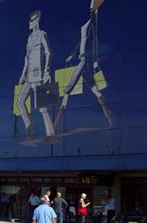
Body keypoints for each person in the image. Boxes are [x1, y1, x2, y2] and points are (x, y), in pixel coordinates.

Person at [55, 0, 112, 128]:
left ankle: (56, 123)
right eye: (90, 8)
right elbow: (80, 42)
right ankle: (107, 113)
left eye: (92, 8)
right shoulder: (87, 24)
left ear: (95, 10)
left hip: (84, 61)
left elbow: (95, 42)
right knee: (95, 90)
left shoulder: (93, 23)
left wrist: (96, 60)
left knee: (68, 89)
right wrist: (72, 55)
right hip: (82, 60)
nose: (90, 10)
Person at [17, 10, 56, 141]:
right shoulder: (29, 38)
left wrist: (46, 72)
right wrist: (23, 75)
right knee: (20, 102)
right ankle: (28, 124)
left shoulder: (42, 35)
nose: (30, 23)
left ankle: (50, 133)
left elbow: (48, 53)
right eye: (29, 20)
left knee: (42, 106)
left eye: (32, 20)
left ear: (37, 20)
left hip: (38, 75)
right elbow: (26, 58)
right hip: (28, 76)